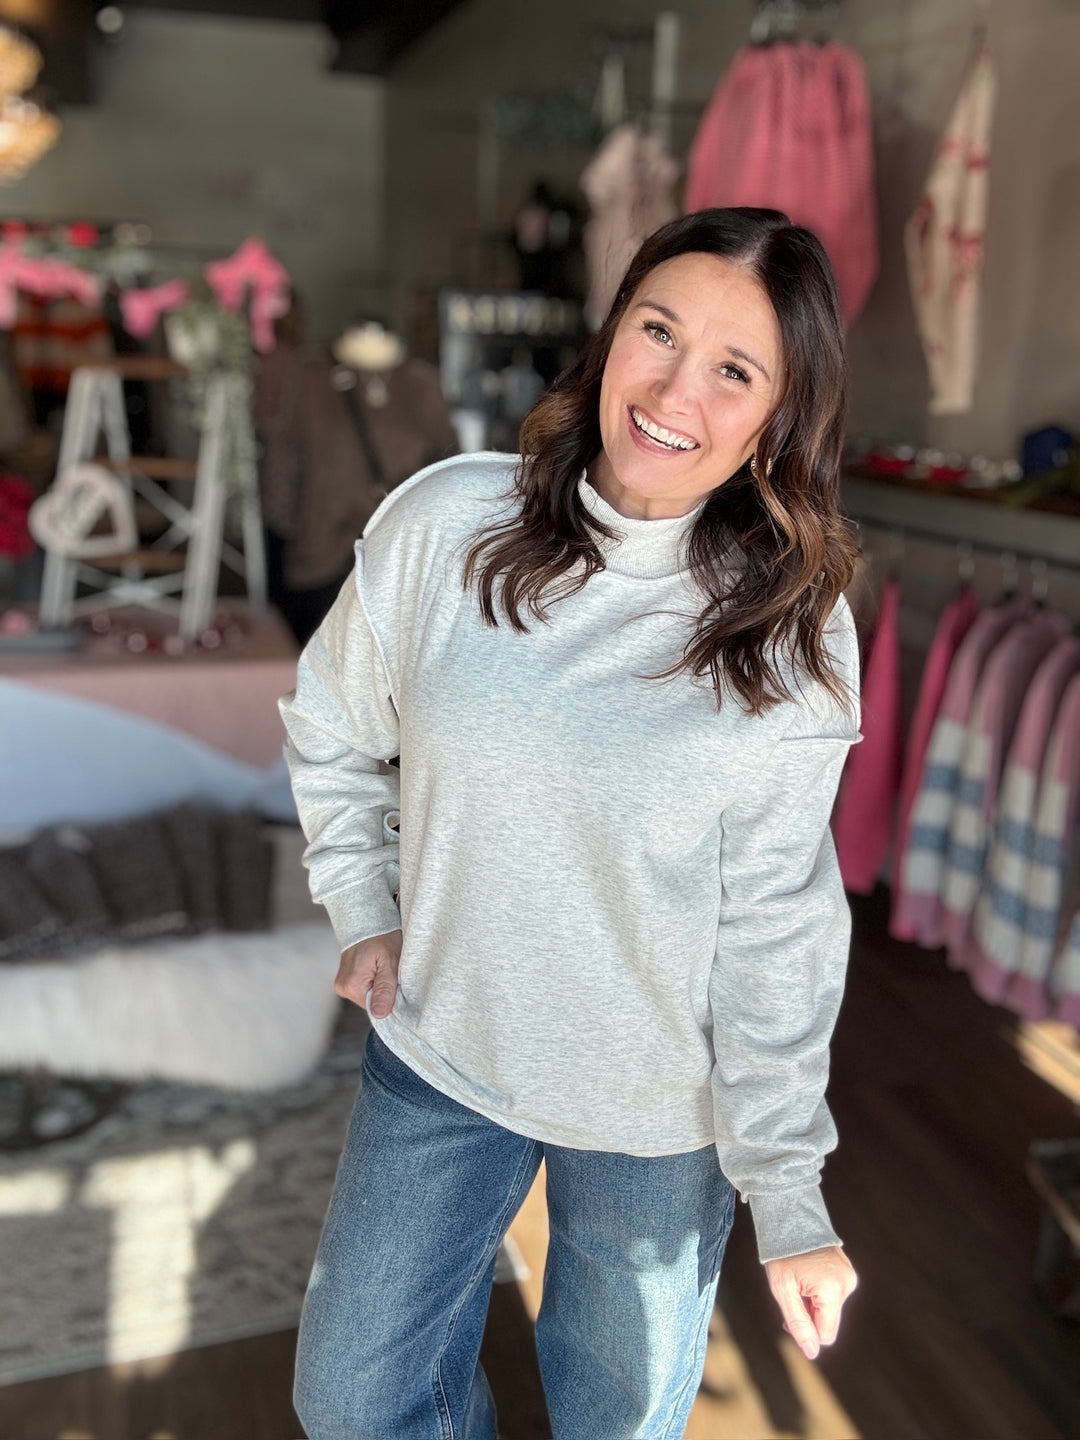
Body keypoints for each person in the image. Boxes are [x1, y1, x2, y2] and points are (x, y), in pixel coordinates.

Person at [280, 207, 862, 1440]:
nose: (673, 391)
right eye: (658, 331)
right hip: (440, 1048)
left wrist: (789, 1193)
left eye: (735, 370)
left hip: (657, 1112)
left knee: (616, 1422)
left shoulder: (792, 633)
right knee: (353, 1397)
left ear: (781, 416)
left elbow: (778, 926)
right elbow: (330, 723)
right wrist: (364, 901)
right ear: (610, 334)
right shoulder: (449, 522)